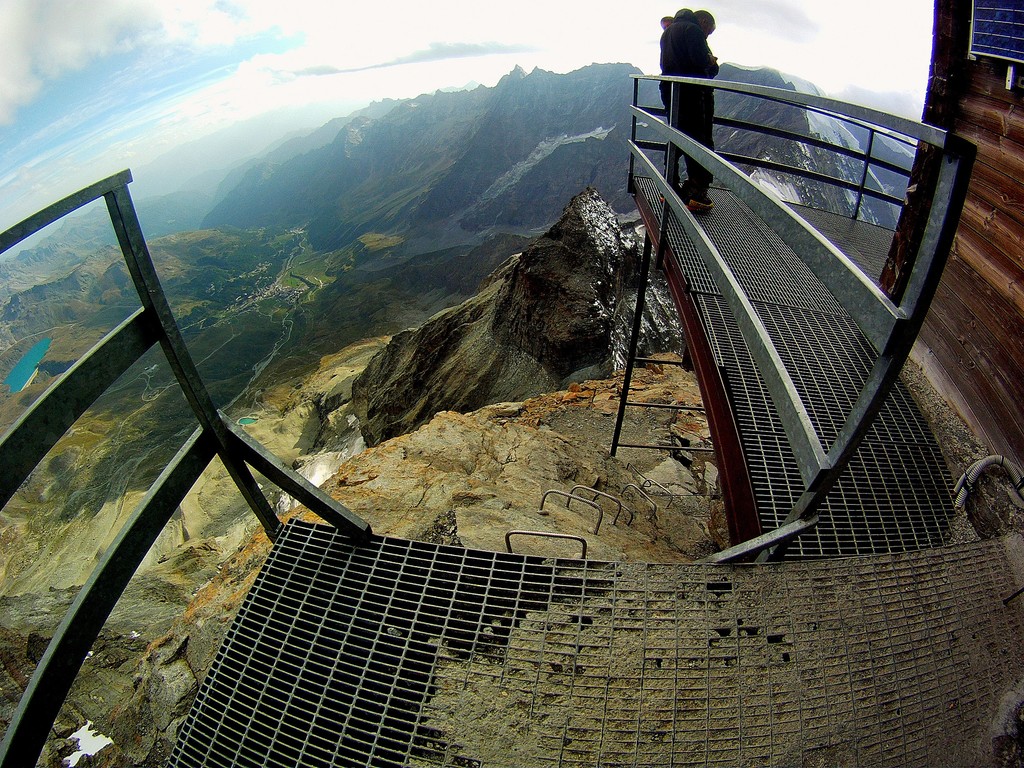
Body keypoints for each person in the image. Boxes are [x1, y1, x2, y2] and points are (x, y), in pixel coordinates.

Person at [659, 8, 719, 212]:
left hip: (671, 91)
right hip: (692, 94)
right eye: (708, 31)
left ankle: (670, 183)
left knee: (676, 134)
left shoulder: (668, 32)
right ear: (703, 21)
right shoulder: (692, 30)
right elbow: (701, 62)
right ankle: (696, 192)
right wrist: (711, 61)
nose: (706, 35)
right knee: (698, 139)